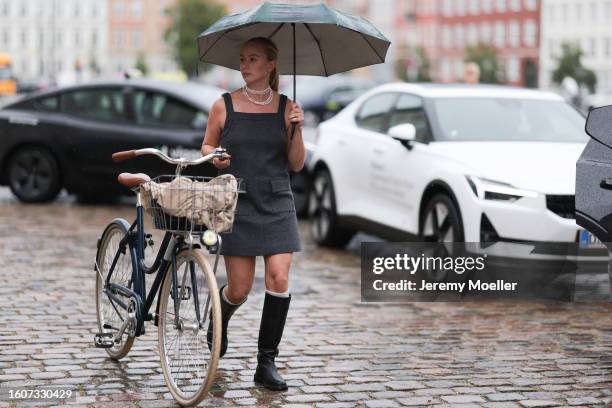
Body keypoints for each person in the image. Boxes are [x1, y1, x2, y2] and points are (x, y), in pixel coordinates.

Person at [201, 36, 305, 391]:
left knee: (278, 278)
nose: (245, 66)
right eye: (243, 59)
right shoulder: (224, 105)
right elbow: (207, 144)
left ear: (271, 65)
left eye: (254, 60)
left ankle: (266, 362)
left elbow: (296, 163)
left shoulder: (287, 107)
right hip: (238, 202)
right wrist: (216, 157)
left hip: (277, 201)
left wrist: (297, 127)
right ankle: (220, 317)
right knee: (240, 289)